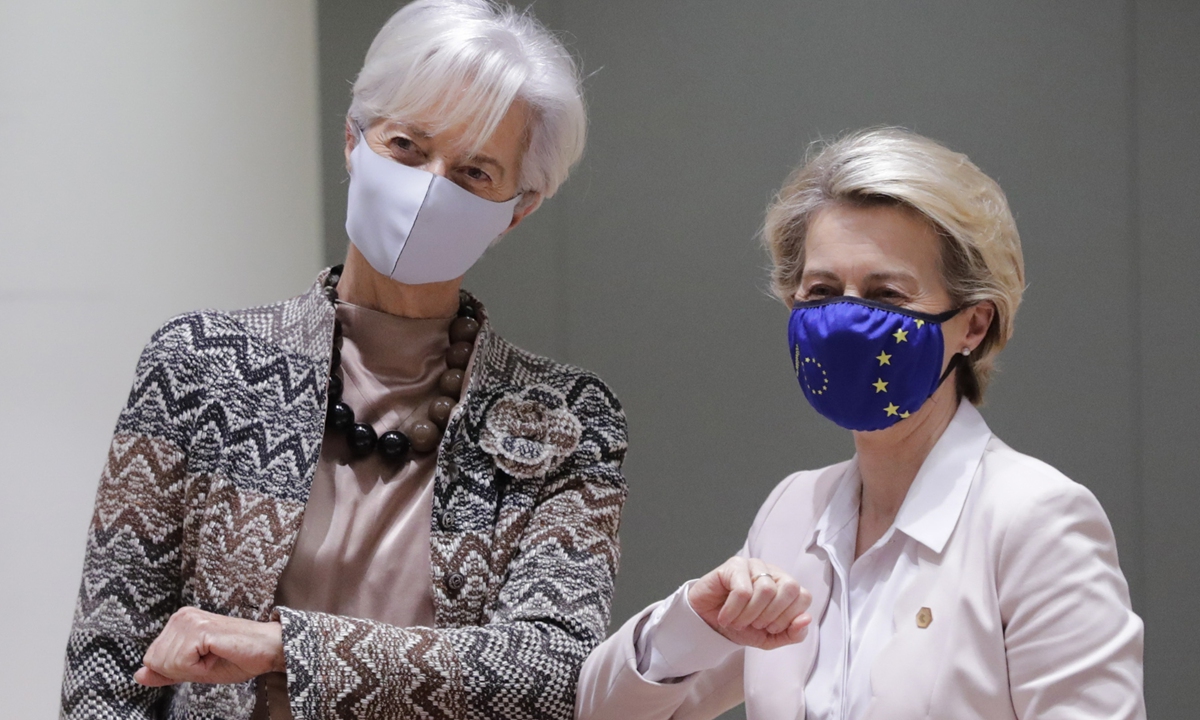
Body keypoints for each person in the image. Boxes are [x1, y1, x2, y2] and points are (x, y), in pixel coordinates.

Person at [59, 2, 628, 718]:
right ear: (353, 142)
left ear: (518, 209)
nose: (430, 185)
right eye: (408, 146)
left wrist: (284, 649)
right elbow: (107, 668)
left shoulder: (567, 418)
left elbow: (553, 668)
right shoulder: (200, 365)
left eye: (475, 172)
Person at [575, 128, 1144, 720]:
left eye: (886, 295)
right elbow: (602, 712)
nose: (846, 320)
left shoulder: (1035, 520)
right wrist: (695, 619)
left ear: (973, 326)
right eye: (821, 291)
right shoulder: (793, 511)